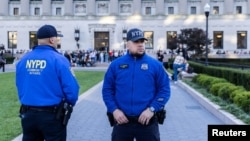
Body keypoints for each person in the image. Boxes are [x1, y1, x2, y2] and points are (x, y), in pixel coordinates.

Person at [102, 28, 171, 141]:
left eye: (142, 42)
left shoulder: (155, 65)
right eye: (136, 42)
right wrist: (114, 110)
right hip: (122, 121)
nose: (140, 45)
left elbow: (164, 90)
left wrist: (152, 109)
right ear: (127, 44)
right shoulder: (116, 65)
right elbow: (107, 90)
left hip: (147, 122)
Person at [16, 24, 79, 141]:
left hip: (28, 113)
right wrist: (70, 103)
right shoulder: (59, 59)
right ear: (52, 39)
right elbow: (71, 89)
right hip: (52, 115)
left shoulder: (24, 59)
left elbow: (20, 85)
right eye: (57, 38)